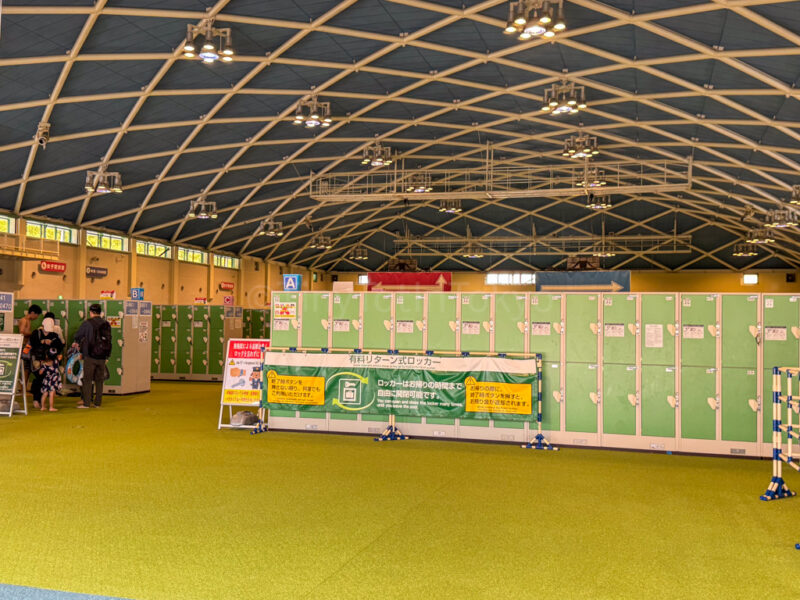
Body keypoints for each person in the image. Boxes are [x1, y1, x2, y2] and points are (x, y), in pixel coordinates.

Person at [73, 304, 112, 409]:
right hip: (103, 356)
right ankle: (97, 403)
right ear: (100, 312)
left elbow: (78, 335)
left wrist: (77, 342)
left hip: (90, 355)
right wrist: (107, 355)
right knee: (99, 380)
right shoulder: (106, 323)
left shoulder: (87, 323)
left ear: (91, 312)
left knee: (88, 379)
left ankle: (86, 403)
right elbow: (109, 340)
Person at [29, 314, 63, 409]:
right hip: (38, 361)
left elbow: (60, 346)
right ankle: (36, 399)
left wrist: (52, 343)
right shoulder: (36, 333)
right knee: (39, 379)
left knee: (46, 381)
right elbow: (32, 344)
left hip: (49, 362)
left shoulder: (54, 335)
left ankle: (43, 402)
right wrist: (42, 342)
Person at [18, 304, 42, 391]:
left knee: (28, 368)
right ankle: (22, 388)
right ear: (32, 313)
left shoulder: (28, 321)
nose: (36, 317)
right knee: (25, 368)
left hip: (28, 346)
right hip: (24, 347)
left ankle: (24, 388)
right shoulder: (24, 320)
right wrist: (33, 334)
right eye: (37, 315)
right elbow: (22, 333)